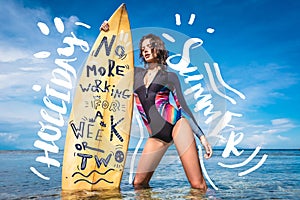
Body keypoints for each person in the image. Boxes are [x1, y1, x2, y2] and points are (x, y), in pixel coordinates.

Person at [100, 21, 212, 191]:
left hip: (177, 126)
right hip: (156, 136)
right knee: (139, 184)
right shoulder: (135, 74)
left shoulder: (170, 77)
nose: (144, 50)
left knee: (197, 184)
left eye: (149, 46)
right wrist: (108, 35)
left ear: (158, 49)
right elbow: (113, 61)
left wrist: (202, 137)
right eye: (142, 47)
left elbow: (184, 108)